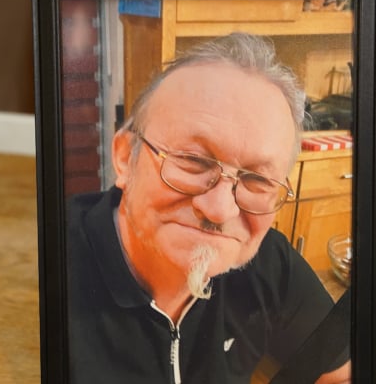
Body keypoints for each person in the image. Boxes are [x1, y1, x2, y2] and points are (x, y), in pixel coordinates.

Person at [66, 32, 351, 383]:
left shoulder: (269, 265)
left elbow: (340, 372)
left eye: (257, 180)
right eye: (192, 160)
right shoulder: (46, 270)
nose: (219, 210)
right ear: (126, 158)